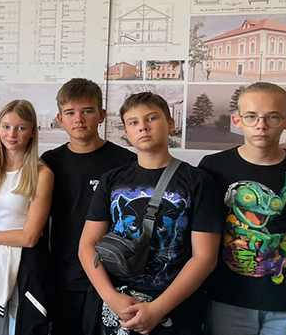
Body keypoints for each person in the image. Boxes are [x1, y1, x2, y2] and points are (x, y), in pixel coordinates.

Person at [79, 92, 220, 335]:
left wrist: (157, 309)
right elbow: (87, 244)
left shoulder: (197, 181)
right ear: (126, 132)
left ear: (171, 124)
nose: (143, 126)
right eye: (133, 122)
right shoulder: (112, 180)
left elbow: (205, 257)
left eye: (151, 118)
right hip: (117, 304)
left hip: (175, 308)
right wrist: (111, 297)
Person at [198, 82, 286, 335]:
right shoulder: (212, 167)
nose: (261, 125)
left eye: (272, 116)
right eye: (251, 116)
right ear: (237, 120)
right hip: (227, 299)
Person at [41, 79, 135, 335]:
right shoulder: (49, 163)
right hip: (65, 275)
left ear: (101, 115)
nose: (79, 119)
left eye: (87, 111)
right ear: (60, 119)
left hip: (115, 278)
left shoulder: (126, 162)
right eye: (70, 112)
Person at [0, 100, 54, 335]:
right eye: (6, 127)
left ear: (32, 131)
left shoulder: (42, 174)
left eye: (20, 128)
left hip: (26, 264)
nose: (12, 134)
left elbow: (29, 237)